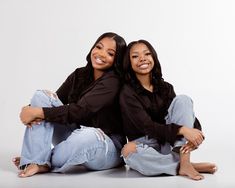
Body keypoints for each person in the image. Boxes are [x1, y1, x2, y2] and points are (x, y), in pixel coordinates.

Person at [13, 32, 127, 178]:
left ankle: (39, 160)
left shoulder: (114, 81)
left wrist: (37, 113)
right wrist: (30, 109)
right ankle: (36, 160)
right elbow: (54, 102)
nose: (101, 54)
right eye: (99, 47)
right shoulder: (79, 74)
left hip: (106, 146)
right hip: (75, 135)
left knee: (88, 134)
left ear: (116, 60)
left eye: (110, 53)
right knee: (42, 96)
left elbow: (81, 111)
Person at [119, 40, 217, 180]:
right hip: (144, 144)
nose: (142, 58)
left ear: (153, 57)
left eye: (147, 54)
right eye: (135, 56)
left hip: (168, 142)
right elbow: (147, 126)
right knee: (127, 152)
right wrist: (183, 130)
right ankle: (186, 165)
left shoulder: (166, 87)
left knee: (183, 100)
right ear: (129, 62)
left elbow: (183, 114)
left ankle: (183, 161)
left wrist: (195, 132)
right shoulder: (126, 92)